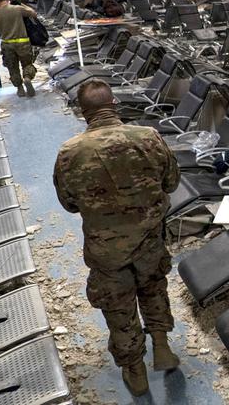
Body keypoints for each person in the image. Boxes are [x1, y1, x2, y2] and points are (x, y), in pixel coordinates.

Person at [53, 80, 181, 397]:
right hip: (150, 239)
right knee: (153, 289)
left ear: (84, 112)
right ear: (115, 104)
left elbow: (69, 204)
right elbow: (171, 182)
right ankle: (162, 348)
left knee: (119, 308)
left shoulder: (70, 153)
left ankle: (135, 371)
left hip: (107, 250)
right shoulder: (149, 137)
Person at [0, 0, 37, 97]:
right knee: (27, 64)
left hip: (7, 44)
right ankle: (27, 78)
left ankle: (20, 89)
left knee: (12, 67)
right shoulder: (16, 9)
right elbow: (33, 13)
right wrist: (21, 4)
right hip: (22, 43)